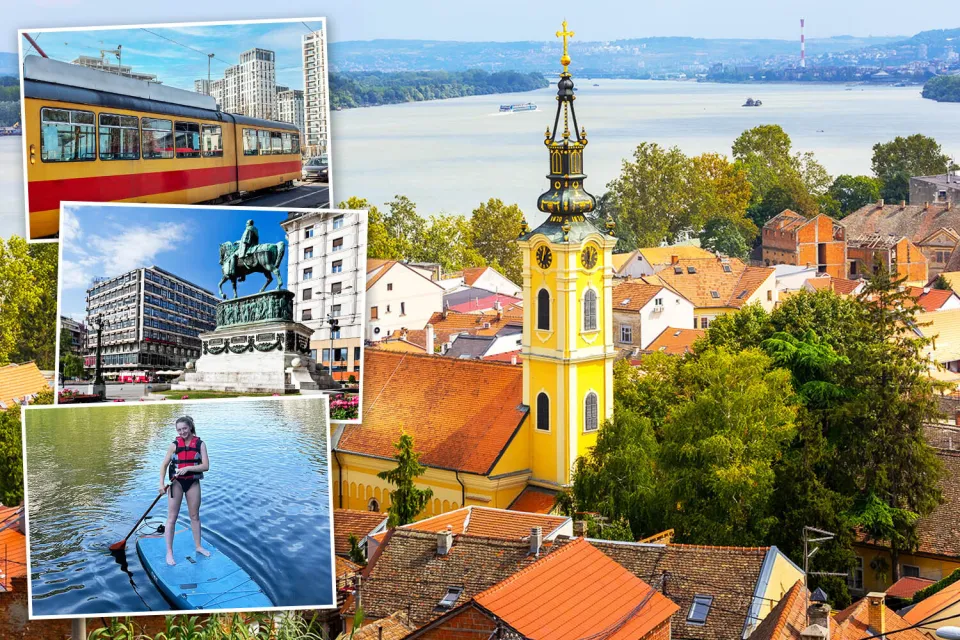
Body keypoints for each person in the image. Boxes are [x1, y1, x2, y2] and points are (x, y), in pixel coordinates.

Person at [158, 416, 210, 566]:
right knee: (172, 517)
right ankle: (169, 552)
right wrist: (161, 483)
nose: (182, 432)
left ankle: (198, 546)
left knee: (194, 515)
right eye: (179, 430)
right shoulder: (174, 445)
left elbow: (206, 466)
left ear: (190, 427)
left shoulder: (200, 444)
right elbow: (164, 465)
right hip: (177, 484)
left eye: (184, 429)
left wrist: (188, 468)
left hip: (192, 482)